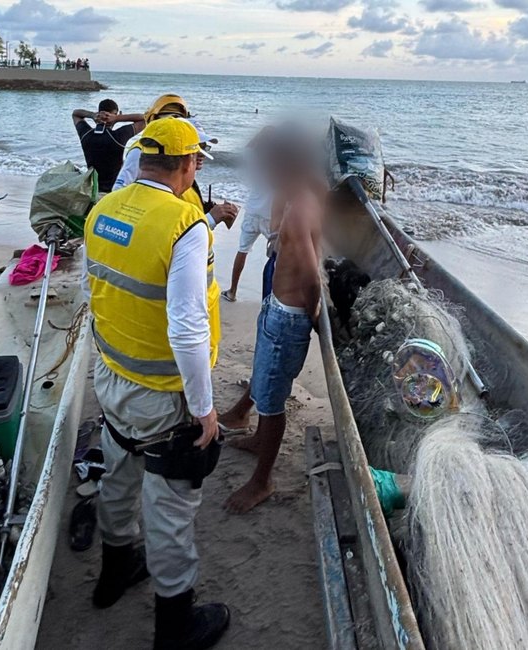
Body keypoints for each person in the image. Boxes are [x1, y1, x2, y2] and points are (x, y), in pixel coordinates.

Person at [84, 117, 230, 650]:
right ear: (188, 165)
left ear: (144, 159)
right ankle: (174, 625)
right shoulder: (185, 224)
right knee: (170, 506)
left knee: (117, 476)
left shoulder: (103, 210)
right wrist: (204, 408)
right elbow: (187, 323)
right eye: (195, 164)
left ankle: (114, 572)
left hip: (113, 375)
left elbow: (93, 291)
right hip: (162, 391)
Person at [221, 131, 327, 513]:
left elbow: (313, 276)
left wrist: (313, 313)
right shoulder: (306, 197)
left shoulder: (299, 207)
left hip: (286, 319)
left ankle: (262, 480)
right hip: (279, 311)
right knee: (265, 391)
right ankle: (255, 442)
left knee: (271, 401)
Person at [223, 128, 277, 302]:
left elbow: (247, 148)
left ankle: (232, 291)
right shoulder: (279, 164)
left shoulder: (255, 161)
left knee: (242, 251)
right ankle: (275, 295)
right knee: (277, 256)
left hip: (253, 212)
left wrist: (264, 131)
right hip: (271, 215)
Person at [72, 99, 146, 194]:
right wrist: (117, 118)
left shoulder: (86, 134)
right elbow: (144, 119)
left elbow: (76, 114)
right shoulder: (118, 136)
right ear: (116, 113)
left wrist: (92, 115)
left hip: (92, 190)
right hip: (114, 190)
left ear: (99, 113)